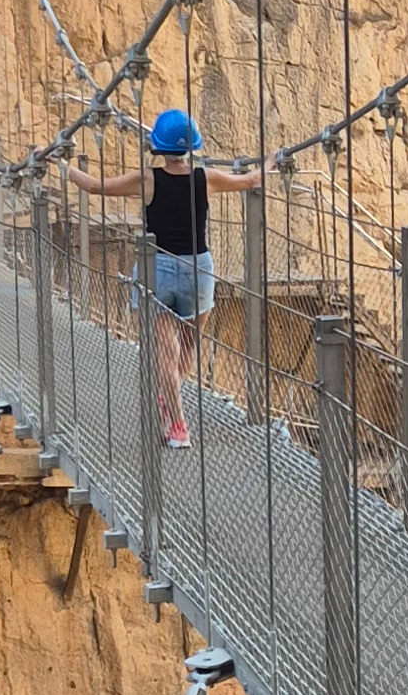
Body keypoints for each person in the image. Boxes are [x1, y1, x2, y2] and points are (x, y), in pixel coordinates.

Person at [71, 108, 265, 448]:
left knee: (164, 350)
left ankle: (177, 425)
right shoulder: (207, 178)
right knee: (188, 347)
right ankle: (171, 393)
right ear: (192, 146)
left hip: (157, 268)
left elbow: (94, 187)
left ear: (156, 145)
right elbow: (250, 180)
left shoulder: (147, 178)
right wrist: (273, 162)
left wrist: (62, 166)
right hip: (199, 271)